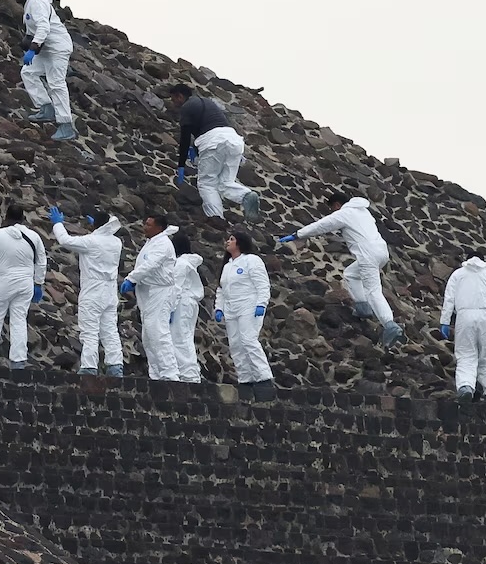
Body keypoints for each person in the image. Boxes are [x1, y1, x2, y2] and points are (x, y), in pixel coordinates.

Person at [278, 192, 404, 348]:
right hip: (381, 252)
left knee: (373, 291)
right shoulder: (363, 211)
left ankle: (390, 325)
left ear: (337, 204)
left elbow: (322, 225)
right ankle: (362, 307)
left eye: (332, 208)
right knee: (351, 274)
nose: (333, 211)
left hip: (367, 255)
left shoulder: (345, 213)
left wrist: (297, 234)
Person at [48, 207, 124, 377]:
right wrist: (98, 227)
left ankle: (89, 367)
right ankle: (115, 366)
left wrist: (58, 224)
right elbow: (105, 234)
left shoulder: (91, 241)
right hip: (110, 291)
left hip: (93, 291)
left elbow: (65, 240)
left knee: (89, 331)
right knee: (110, 331)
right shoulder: (116, 243)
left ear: (96, 225)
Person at [169, 84, 261, 222]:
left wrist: (181, 164)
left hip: (213, 142)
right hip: (234, 141)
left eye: (173, 99)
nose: (173, 103)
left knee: (207, 183)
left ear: (180, 96)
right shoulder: (208, 103)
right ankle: (246, 195)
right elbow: (211, 125)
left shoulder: (187, 107)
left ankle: (216, 218)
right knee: (225, 182)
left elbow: (185, 138)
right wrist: (195, 148)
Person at [0, 204, 47, 369]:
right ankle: (18, 361)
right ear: (23, 218)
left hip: (2, 282)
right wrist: (38, 283)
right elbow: (41, 262)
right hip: (25, 283)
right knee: (19, 320)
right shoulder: (34, 237)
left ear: (6, 217)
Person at [439, 250, 486, 405]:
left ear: (466, 260)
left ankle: (466, 387)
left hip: (464, 316)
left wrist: (445, 321)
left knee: (466, 354)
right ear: (483, 260)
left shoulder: (458, 275)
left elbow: (449, 299)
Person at [10, 0, 76, 141]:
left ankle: (66, 125)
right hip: (46, 49)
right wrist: (28, 41)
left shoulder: (36, 2)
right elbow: (34, 30)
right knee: (28, 72)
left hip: (57, 48)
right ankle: (46, 108)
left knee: (56, 84)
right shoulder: (30, 4)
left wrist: (33, 48)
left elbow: (44, 27)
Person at [215, 232, 275, 402]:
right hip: (231, 309)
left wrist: (261, 304)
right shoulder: (227, 266)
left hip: (249, 306)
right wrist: (219, 308)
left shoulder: (252, 260)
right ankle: (245, 379)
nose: (228, 241)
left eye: (232, 239)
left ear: (240, 243)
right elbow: (221, 289)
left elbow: (262, 284)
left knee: (248, 340)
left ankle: (264, 378)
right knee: (236, 344)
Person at [120, 215, 181, 381]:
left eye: (148, 225)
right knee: (148, 337)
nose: (144, 227)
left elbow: (151, 265)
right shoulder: (151, 243)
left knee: (158, 333)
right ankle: (156, 374)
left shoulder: (163, 244)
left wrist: (132, 279)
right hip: (148, 293)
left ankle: (170, 374)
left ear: (159, 228)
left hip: (160, 293)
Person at [168, 234, 204, 383]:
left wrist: (170, 307)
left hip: (181, 302)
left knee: (180, 338)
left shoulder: (181, 264)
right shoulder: (187, 263)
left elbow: (176, 287)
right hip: (187, 303)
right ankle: (188, 372)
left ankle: (190, 375)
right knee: (184, 336)